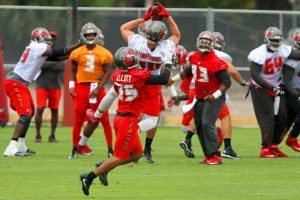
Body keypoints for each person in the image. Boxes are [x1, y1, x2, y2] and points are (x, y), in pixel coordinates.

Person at [79, 46, 173, 196]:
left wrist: (97, 114)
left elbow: (110, 96)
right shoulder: (138, 74)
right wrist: (168, 62)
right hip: (128, 120)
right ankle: (89, 177)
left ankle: (103, 166)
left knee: (136, 154)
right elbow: (162, 78)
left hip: (120, 118)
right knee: (120, 156)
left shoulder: (117, 75)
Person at [3, 27, 81, 157]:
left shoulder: (35, 48)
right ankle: (11, 147)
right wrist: (79, 44)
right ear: (38, 39)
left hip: (20, 83)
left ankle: (21, 145)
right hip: (15, 83)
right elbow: (59, 51)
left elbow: (57, 58)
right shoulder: (37, 47)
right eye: (46, 40)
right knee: (26, 114)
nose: (48, 43)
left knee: (30, 112)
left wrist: (75, 51)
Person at [120, 2, 180, 163]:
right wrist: (168, 16)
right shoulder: (166, 46)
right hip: (153, 83)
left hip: (136, 82)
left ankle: (134, 145)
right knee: (152, 119)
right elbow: (177, 35)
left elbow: (124, 28)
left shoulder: (137, 42)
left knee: (133, 114)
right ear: (162, 36)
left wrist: (143, 19)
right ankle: (139, 142)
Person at [169, 30, 231, 165]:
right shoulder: (195, 56)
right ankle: (209, 155)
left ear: (212, 44)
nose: (204, 44)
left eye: (207, 42)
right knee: (199, 124)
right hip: (200, 96)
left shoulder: (216, 61)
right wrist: (173, 79)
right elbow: (189, 71)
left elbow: (227, 82)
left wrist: (214, 95)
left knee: (207, 123)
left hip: (215, 97)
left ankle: (215, 155)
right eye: (202, 41)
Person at [248, 26, 300, 158]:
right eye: (273, 40)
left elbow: (296, 54)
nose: (276, 44)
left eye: (278, 41)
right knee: (268, 117)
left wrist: (275, 88)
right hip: (260, 87)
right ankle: (265, 148)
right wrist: (271, 88)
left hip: (277, 86)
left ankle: (272, 145)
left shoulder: (284, 49)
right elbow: (255, 75)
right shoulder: (258, 53)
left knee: (283, 116)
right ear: (266, 39)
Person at [68, 22, 114, 159]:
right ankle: (74, 150)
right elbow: (72, 70)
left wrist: (99, 87)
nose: (90, 36)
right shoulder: (77, 52)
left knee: (104, 119)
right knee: (78, 120)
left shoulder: (104, 52)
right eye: (87, 34)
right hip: (81, 87)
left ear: (96, 35)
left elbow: (108, 72)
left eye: (92, 34)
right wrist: (71, 85)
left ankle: (110, 149)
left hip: (97, 88)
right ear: (83, 35)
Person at [34, 31, 67, 143]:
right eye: (49, 38)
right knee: (39, 109)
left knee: (55, 110)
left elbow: (62, 66)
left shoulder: (58, 52)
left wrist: (47, 65)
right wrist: (53, 65)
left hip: (56, 85)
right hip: (41, 84)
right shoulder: (40, 51)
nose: (51, 40)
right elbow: (40, 64)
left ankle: (52, 135)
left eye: (53, 38)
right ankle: (38, 134)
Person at [281, 29, 300, 152]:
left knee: (289, 118)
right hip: (291, 90)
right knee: (287, 118)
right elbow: (286, 80)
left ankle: (272, 144)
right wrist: (296, 94)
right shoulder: (292, 58)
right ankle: (292, 138)